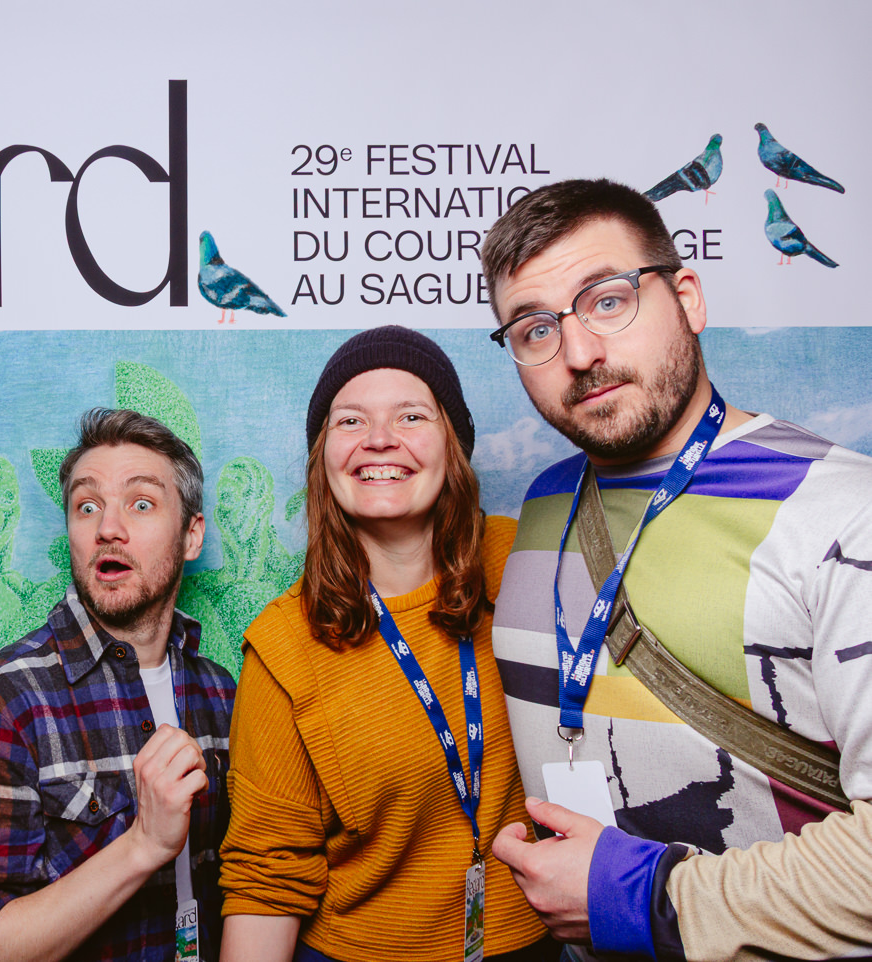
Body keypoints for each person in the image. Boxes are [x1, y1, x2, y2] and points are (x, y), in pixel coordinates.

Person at [482, 178, 872, 961]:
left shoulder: (842, 513)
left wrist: (636, 897)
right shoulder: (544, 505)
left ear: (687, 299)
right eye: (535, 328)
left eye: (608, 301)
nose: (580, 355)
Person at [218, 326, 552, 962]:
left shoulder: (526, 563)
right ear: (323, 458)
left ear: (453, 446)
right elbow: (266, 877)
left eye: (410, 416)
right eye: (350, 420)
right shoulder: (285, 644)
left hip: (534, 946)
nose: (378, 439)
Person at [0, 408, 236, 962]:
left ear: (191, 536)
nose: (107, 528)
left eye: (141, 504)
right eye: (86, 506)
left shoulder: (220, 692)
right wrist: (143, 845)